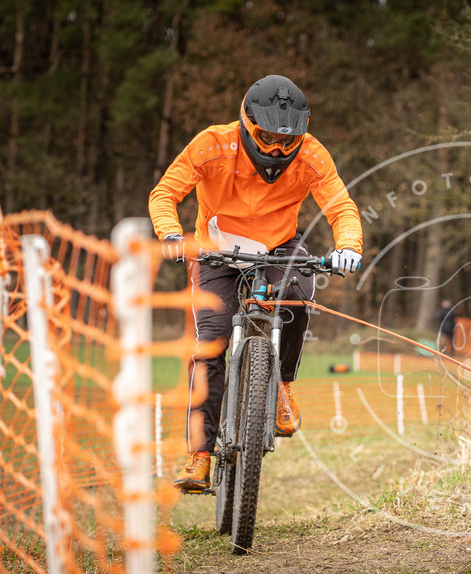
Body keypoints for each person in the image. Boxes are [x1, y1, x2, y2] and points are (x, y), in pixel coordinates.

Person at [150, 74, 363, 491]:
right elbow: (165, 193)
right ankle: (199, 455)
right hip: (216, 248)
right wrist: (171, 235)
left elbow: (341, 207)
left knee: (300, 297)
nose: (278, 149)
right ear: (247, 124)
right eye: (267, 137)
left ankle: (282, 385)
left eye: (289, 140)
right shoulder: (212, 144)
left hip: (279, 244)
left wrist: (349, 246)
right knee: (210, 343)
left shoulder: (313, 156)